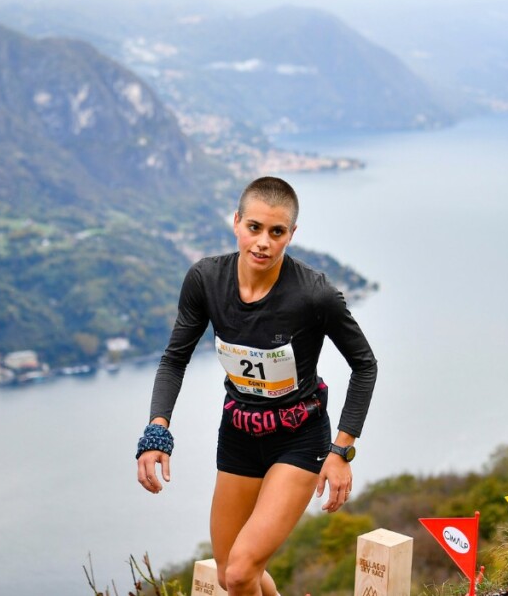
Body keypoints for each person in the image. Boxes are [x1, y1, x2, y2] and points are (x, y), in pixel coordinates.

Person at [136, 176, 378, 596]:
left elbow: (365, 365)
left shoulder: (314, 295)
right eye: (255, 228)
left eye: (276, 232)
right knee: (233, 573)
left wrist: (341, 450)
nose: (263, 242)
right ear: (236, 223)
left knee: (242, 569)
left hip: (300, 439)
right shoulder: (206, 280)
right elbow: (175, 357)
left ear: (291, 234)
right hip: (239, 436)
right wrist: (158, 428)